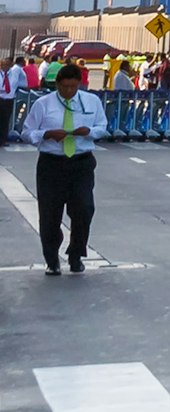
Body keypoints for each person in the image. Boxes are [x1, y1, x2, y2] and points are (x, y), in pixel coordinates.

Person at [25, 61, 106, 272]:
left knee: (84, 208)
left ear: (79, 84)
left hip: (81, 162)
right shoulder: (43, 104)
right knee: (50, 214)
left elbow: (102, 127)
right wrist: (47, 134)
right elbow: (27, 132)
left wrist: (88, 131)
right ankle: (52, 259)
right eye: (65, 87)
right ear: (57, 85)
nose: (69, 91)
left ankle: (76, 253)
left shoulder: (92, 101)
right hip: (52, 164)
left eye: (73, 86)